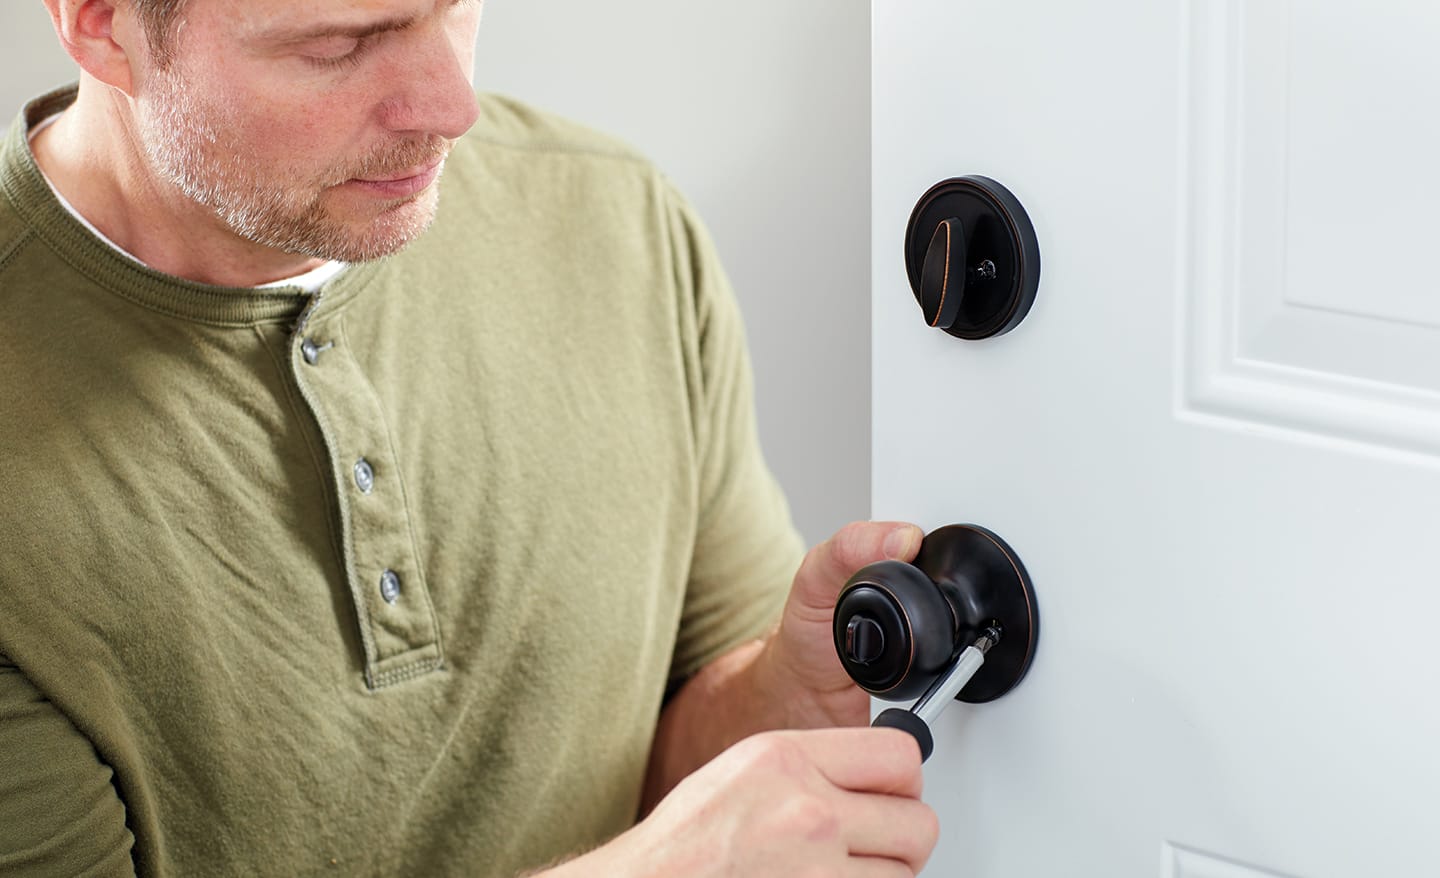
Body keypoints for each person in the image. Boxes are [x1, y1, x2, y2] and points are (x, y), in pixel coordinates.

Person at [0, 0, 939, 875]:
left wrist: (786, 695)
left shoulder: (617, 221)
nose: (451, 108)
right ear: (99, 23)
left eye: (455, 5)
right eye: (340, 44)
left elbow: (675, 787)